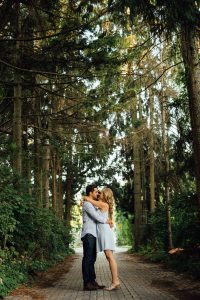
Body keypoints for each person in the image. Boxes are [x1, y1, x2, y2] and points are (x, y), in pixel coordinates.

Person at [83, 187, 120, 291]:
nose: (99, 194)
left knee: (109, 256)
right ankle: (115, 280)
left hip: (104, 232)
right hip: (103, 232)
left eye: (101, 193)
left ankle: (115, 281)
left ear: (105, 195)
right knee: (109, 257)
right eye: (98, 192)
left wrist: (85, 197)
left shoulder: (103, 204)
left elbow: (89, 200)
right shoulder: (101, 205)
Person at [81, 184, 109, 291]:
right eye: (96, 191)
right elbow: (97, 217)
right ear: (90, 193)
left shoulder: (92, 204)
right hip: (88, 234)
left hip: (92, 234)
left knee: (92, 259)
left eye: (98, 191)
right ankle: (87, 283)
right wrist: (107, 221)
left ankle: (92, 281)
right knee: (87, 259)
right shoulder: (88, 204)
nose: (97, 193)